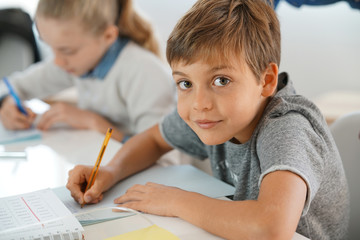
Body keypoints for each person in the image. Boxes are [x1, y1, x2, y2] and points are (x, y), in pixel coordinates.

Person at [66, 0, 349, 239]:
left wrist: (175, 200)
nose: (199, 104)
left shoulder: (288, 127)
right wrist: (111, 172)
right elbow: (154, 138)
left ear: (267, 80)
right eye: (185, 84)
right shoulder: (215, 116)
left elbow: (271, 227)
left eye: (221, 80)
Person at [0, 0, 175, 142]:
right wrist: (6, 102)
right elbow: (10, 85)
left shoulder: (144, 73)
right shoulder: (73, 62)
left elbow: (166, 156)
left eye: (67, 51)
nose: (58, 62)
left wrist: (93, 122)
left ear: (107, 37)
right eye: (51, 48)